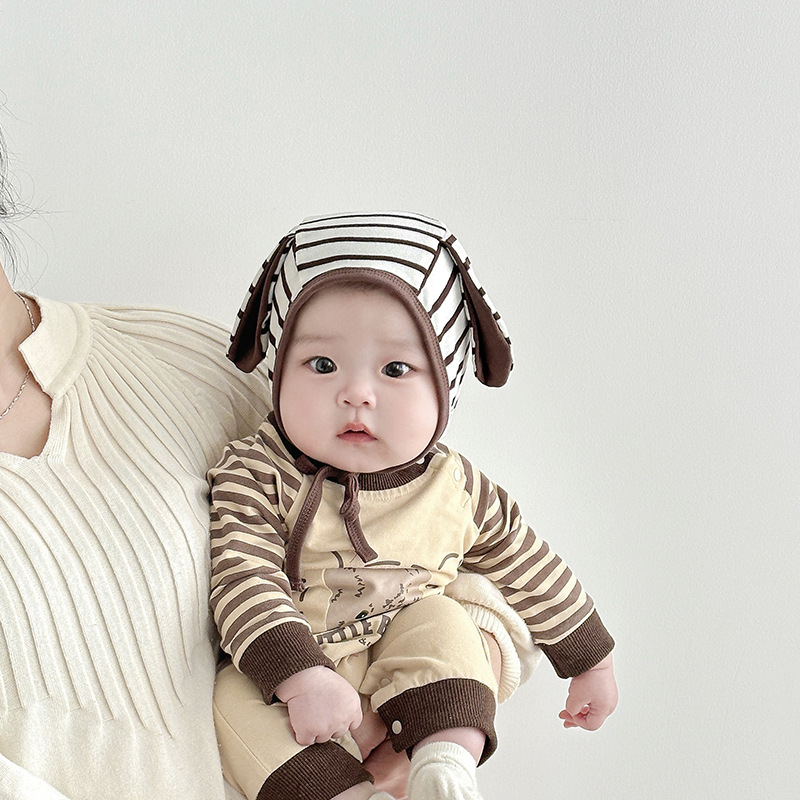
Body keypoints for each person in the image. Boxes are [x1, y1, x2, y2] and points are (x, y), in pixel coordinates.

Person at [0, 131, 533, 799]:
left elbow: (466, 568)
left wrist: (433, 730)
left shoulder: (183, 364)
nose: (358, 392)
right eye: (327, 364)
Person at [208, 212, 619, 800]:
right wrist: (300, 677)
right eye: (322, 365)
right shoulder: (256, 471)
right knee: (231, 704)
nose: (356, 393)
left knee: (446, 627)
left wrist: (590, 661)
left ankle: (446, 765)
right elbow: (241, 576)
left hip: (403, 640)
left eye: (395, 369)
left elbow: (528, 562)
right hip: (296, 655)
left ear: (445, 386)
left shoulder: (454, 485)